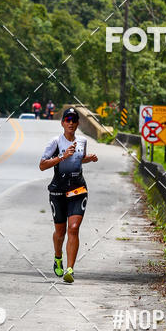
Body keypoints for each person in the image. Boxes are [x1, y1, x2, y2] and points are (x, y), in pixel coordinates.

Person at [39, 106, 98, 283]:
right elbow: (42, 165)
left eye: (74, 120)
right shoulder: (55, 142)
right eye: (68, 120)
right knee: (60, 231)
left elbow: (79, 159)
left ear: (78, 123)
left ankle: (70, 269)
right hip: (58, 190)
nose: (71, 123)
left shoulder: (82, 141)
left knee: (73, 228)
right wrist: (61, 157)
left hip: (78, 189)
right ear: (62, 123)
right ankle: (58, 257)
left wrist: (89, 159)